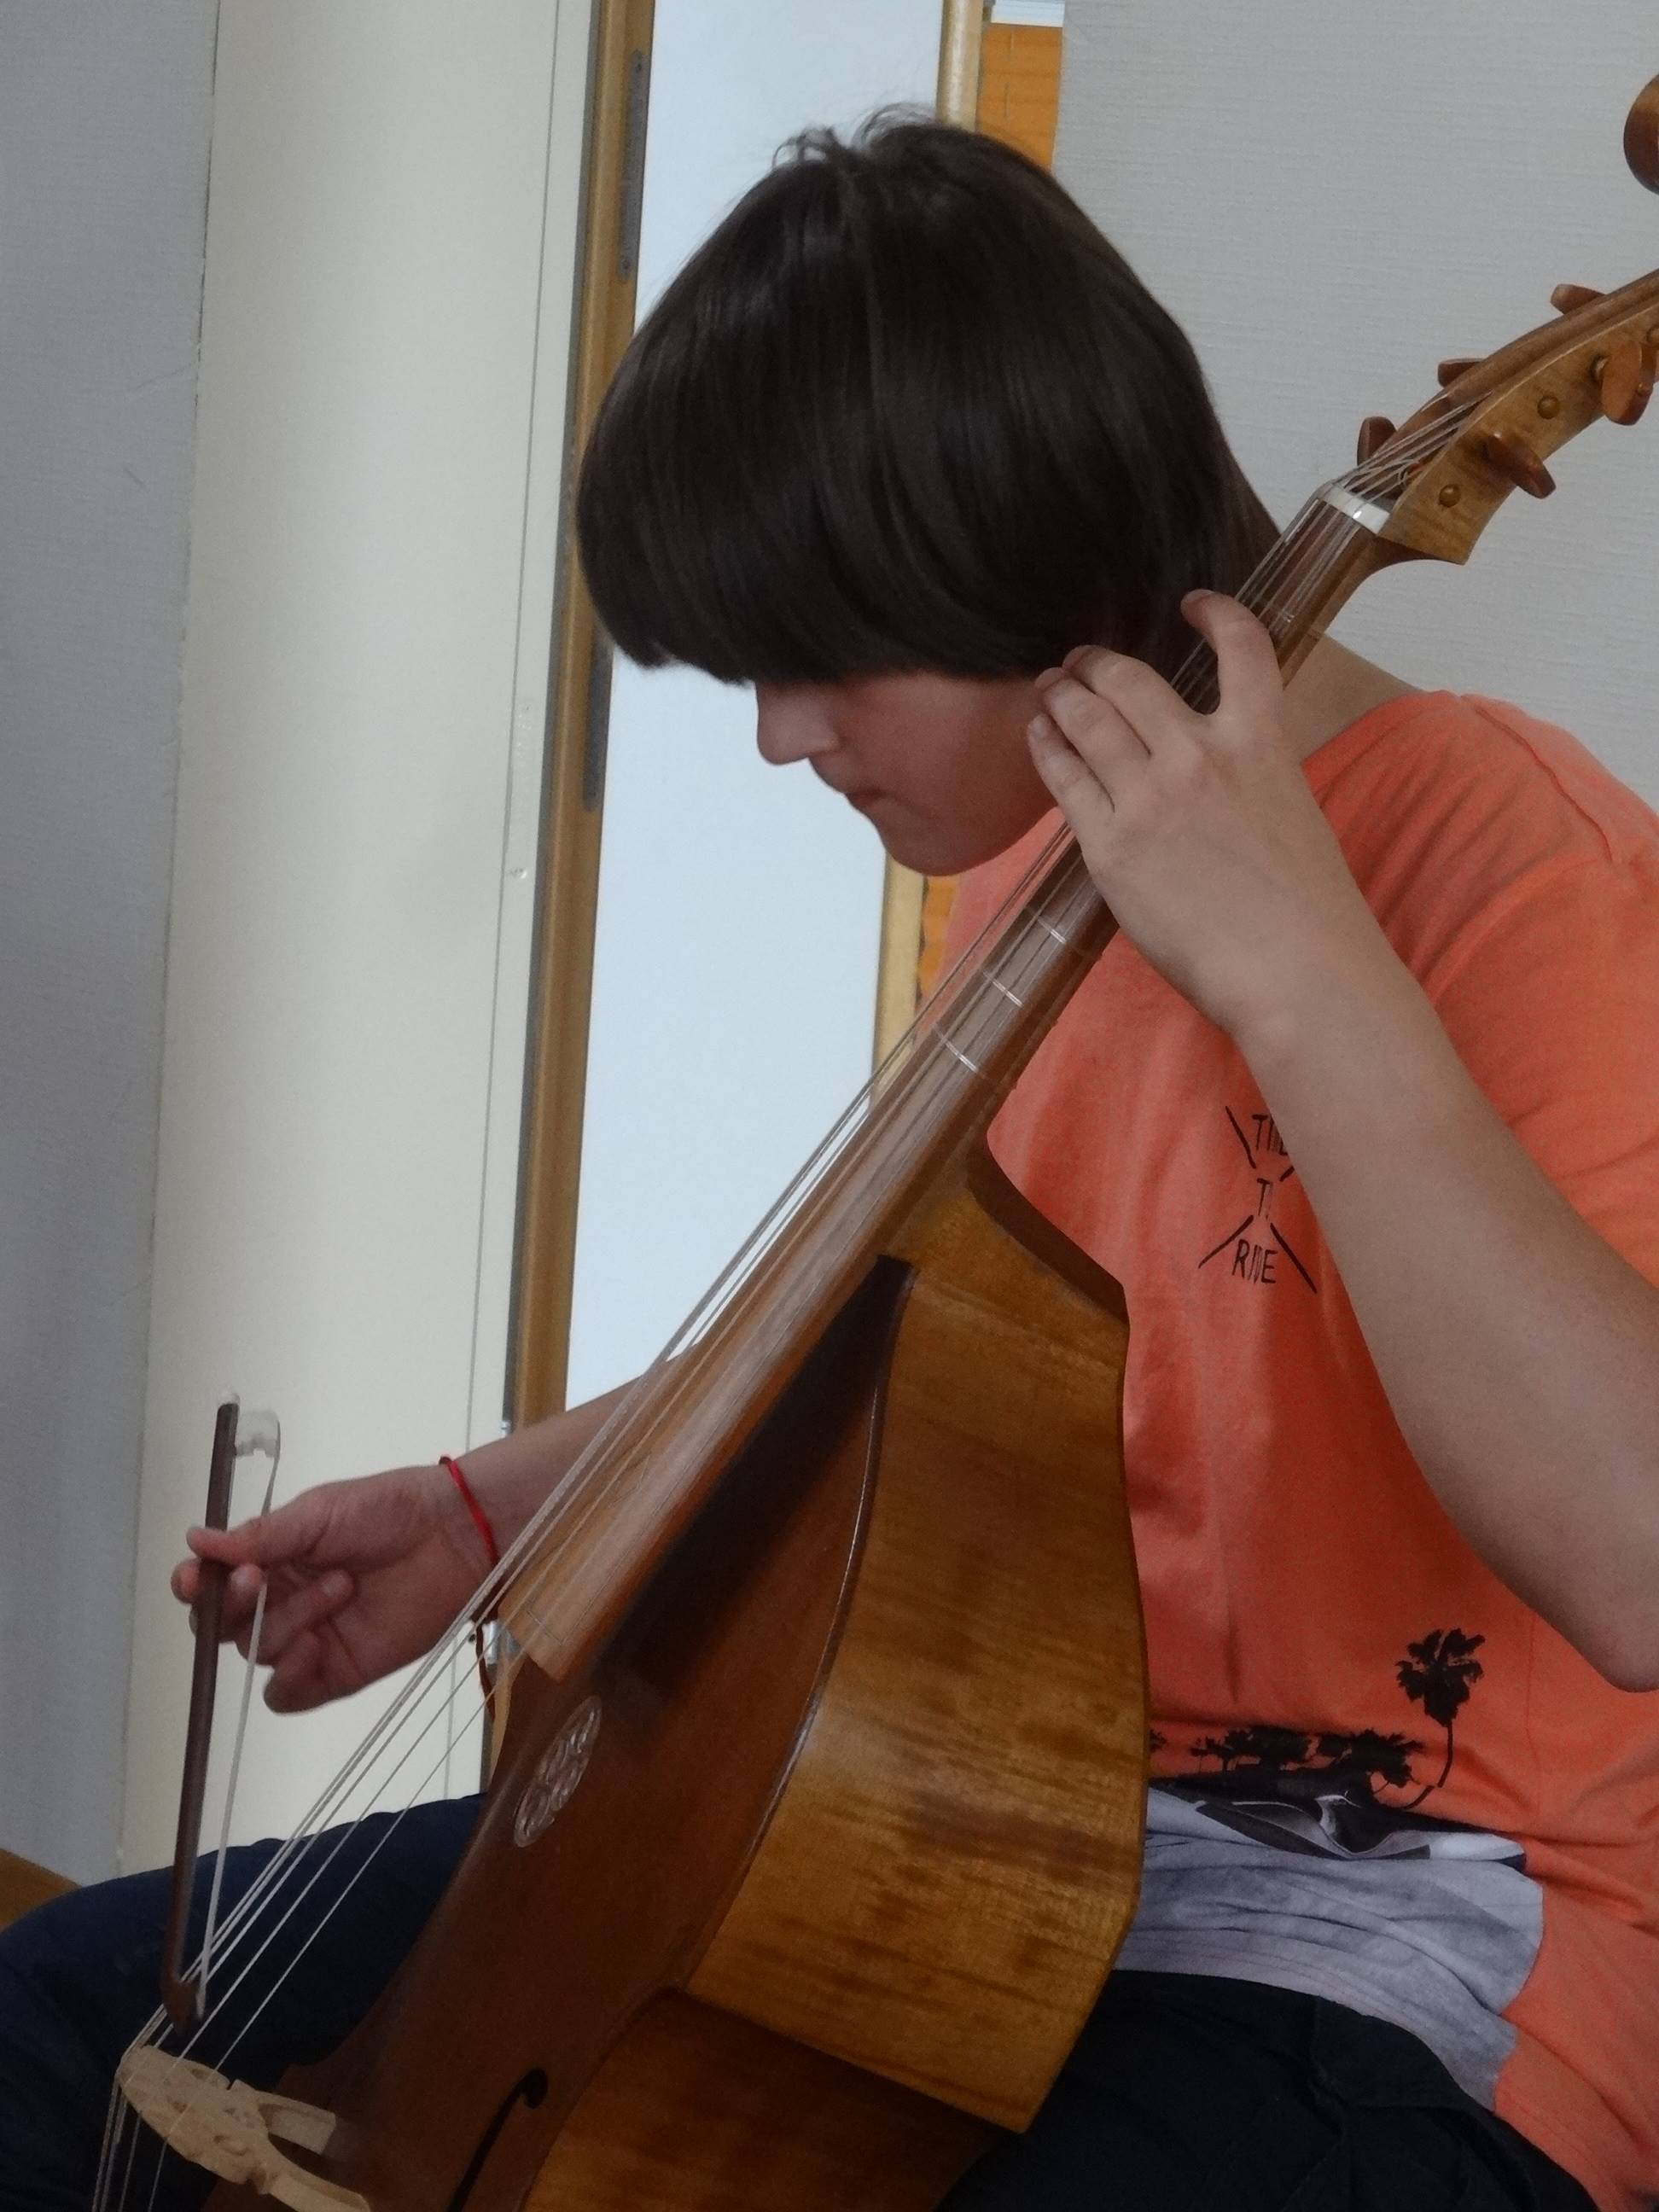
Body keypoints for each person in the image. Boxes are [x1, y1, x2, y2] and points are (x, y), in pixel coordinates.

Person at [4, 111, 1656, 2212]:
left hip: (1419, 1954)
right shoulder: (1031, 880)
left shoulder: (1521, 868)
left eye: (820, 659)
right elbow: (902, 1371)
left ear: (1033, 565)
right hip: (965, 1844)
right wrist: (484, 1513)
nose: (784, 737)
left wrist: (1301, 974)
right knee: (60, 2020)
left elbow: (1632, 1559)